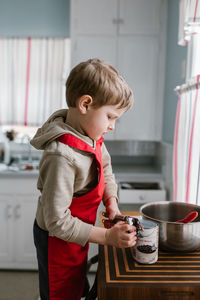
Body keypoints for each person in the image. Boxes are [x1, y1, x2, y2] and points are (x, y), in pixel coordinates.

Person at [31, 58, 137, 300]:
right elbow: (57, 222)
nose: (112, 127)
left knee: (75, 284)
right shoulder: (62, 156)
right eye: (110, 117)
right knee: (59, 292)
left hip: (77, 231)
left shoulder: (90, 134)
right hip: (56, 241)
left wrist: (112, 201)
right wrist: (108, 237)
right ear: (85, 104)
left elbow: (106, 167)